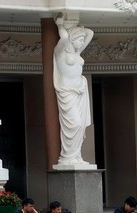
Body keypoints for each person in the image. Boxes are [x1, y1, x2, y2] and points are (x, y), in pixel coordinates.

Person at [53, 17, 94, 166]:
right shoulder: (60, 52)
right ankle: (67, 156)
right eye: (79, 39)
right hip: (67, 92)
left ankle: (76, 155)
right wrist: (60, 26)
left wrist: (80, 29)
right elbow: (64, 38)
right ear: (72, 39)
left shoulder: (77, 53)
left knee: (80, 125)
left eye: (82, 40)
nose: (82, 43)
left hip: (79, 92)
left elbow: (90, 33)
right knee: (74, 124)